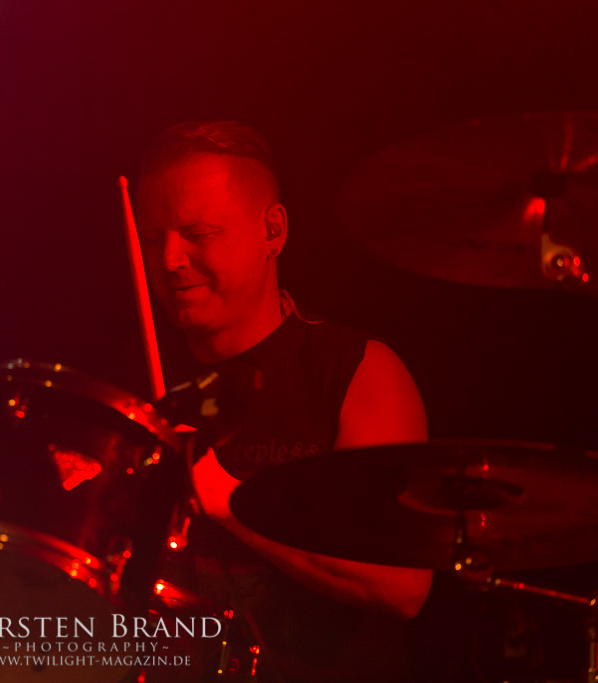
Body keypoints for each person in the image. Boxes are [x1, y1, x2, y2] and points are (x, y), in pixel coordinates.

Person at [134, 121, 433, 681]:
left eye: (198, 233)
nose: (170, 258)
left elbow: (401, 584)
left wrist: (230, 502)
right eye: (153, 238)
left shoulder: (355, 370)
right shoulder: (136, 384)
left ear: (272, 231)